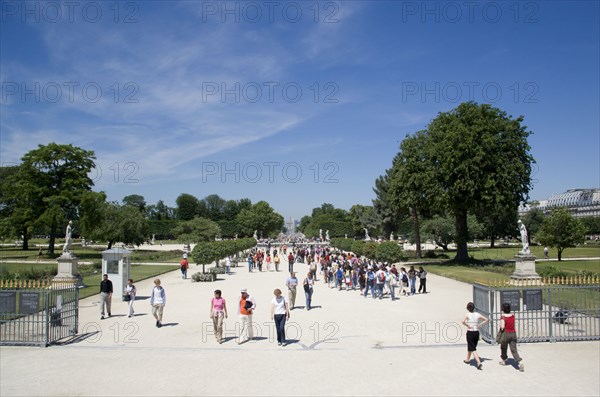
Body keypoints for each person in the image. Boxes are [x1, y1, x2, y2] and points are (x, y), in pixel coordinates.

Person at [462, 302, 489, 370]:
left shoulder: (467, 314)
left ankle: (479, 363)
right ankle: (467, 360)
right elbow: (486, 319)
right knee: (471, 346)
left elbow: (463, 321)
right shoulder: (477, 314)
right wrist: (480, 325)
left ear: (468, 308)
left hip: (470, 332)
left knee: (473, 348)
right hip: (476, 332)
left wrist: (467, 325)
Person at [499, 302, 524, 371]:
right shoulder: (513, 316)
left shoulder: (503, 317)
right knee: (514, 349)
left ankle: (504, 360)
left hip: (506, 334)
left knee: (503, 347)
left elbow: (502, 327)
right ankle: (519, 362)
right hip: (513, 333)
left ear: (503, 309)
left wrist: (501, 326)